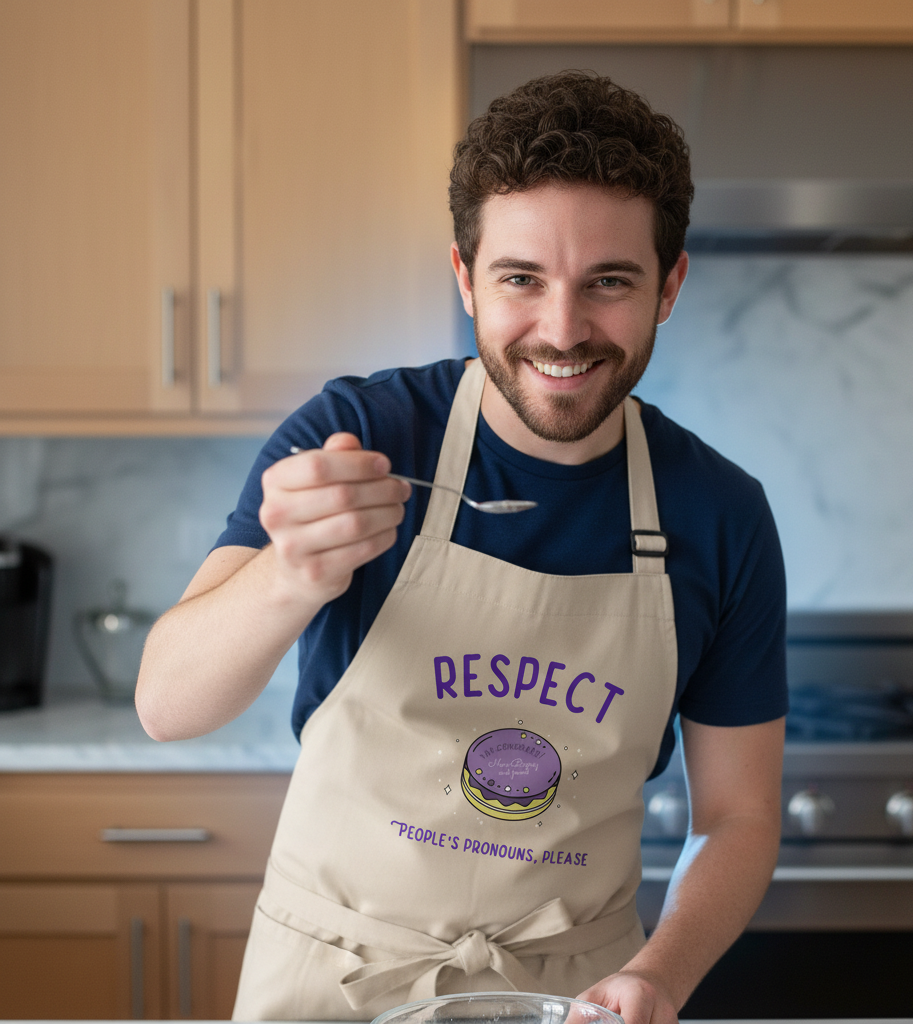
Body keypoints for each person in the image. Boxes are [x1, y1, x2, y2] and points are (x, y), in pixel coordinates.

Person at [137, 70, 787, 1024]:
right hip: (333, 983)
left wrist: (662, 974)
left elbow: (739, 816)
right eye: (521, 279)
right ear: (463, 277)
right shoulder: (360, 437)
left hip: (571, 996)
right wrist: (288, 576)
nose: (562, 332)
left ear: (670, 284)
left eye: (609, 282)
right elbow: (167, 704)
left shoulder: (720, 512)